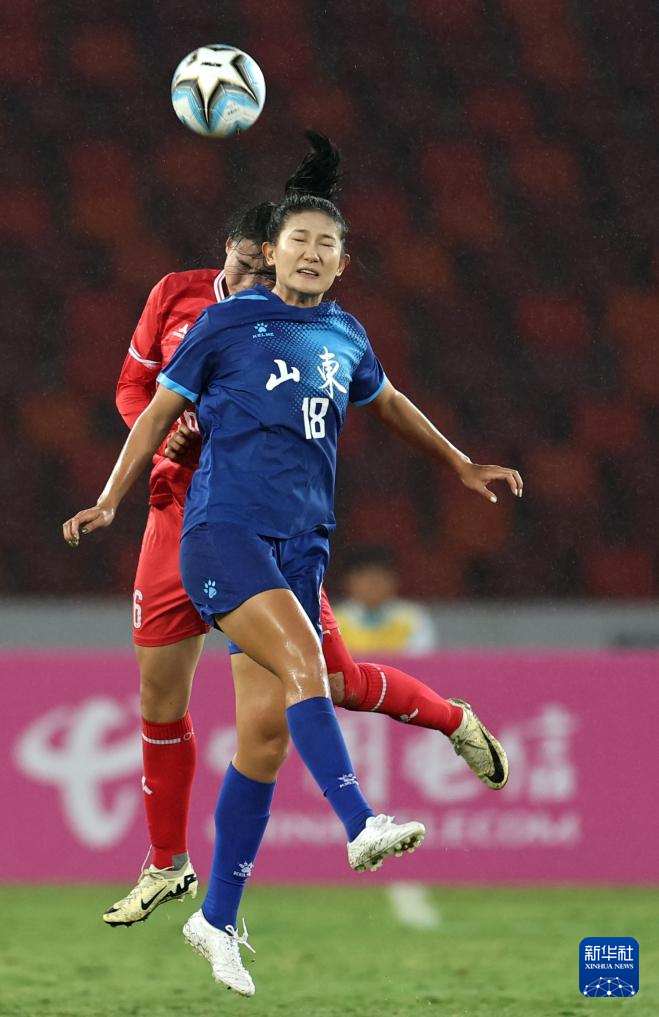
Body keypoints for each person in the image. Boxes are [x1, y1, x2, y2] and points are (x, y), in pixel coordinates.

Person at [64, 158, 522, 999]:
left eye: (326, 244)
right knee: (304, 665)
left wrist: (459, 462)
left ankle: (217, 918)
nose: (311, 253)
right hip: (220, 534)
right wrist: (108, 498)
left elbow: (387, 401)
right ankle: (359, 819)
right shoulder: (223, 322)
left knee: (266, 738)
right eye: (298, 240)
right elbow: (156, 410)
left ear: (343, 262)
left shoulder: (345, 334)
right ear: (270, 252)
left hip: (300, 546)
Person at [335, 545, 437, 654]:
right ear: (348, 580)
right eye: (363, 574)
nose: (373, 581)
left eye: (380, 574)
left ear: (394, 579)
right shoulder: (332, 621)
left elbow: (422, 660)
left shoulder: (414, 618)